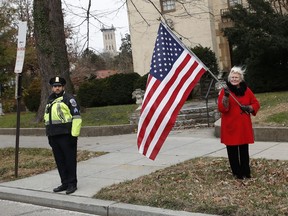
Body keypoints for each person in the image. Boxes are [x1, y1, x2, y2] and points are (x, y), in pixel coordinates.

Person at [218, 66, 260, 179]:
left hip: (243, 126)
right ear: (229, 78)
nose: (234, 79)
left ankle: (246, 171)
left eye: (236, 77)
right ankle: (237, 173)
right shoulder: (225, 90)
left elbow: (256, 103)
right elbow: (222, 108)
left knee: (243, 150)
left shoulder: (247, 90)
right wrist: (226, 96)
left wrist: (249, 108)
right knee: (232, 151)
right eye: (232, 77)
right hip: (230, 125)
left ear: (240, 79)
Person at [44, 76, 82, 194]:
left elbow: (76, 118)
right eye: (55, 86)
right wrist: (49, 135)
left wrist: (73, 135)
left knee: (69, 160)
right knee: (59, 161)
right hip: (54, 135)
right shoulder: (50, 101)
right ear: (52, 88)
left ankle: (72, 184)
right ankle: (64, 183)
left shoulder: (69, 99)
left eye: (59, 86)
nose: (57, 88)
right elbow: (47, 119)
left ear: (63, 87)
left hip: (66, 135)